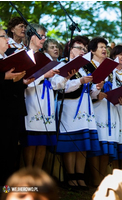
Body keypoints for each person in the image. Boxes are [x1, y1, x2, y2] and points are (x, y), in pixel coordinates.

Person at [51, 36, 100, 189]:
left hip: (85, 109)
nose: (82, 51)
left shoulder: (85, 68)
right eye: (79, 47)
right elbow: (58, 85)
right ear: (70, 48)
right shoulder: (63, 64)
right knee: (71, 143)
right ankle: (70, 177)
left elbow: (91, 94)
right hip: (69, 107)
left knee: (82, 144)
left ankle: (80, 176)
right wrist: (79, 81)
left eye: (84, 49)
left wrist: (97, 87)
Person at [22, 24, 61, 169]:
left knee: (43, 141)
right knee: (32, 142)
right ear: (31, 36)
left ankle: (37, 175)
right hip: (31, 101)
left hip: (47, 102)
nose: (44, 39)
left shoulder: (45, 57)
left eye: (45, 36)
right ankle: (27, 175)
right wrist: (43, 76)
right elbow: (24, 82)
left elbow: (56, 84)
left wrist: (66, 77)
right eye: (41, 36)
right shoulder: (24, 54)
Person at [0, 26, 35, 184]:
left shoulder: (6, 58)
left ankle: (6, 189)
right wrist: (4, 76)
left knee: (10, 151)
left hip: (13, 110)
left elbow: (11, 84)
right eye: (2, 36)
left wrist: (22, 82)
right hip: (2, 111)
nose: (7, 39)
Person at [85, 37, 119, 186]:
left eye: (105, 47)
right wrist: (94, 95)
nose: (104, 49)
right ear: (92, 50)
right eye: (100, 47)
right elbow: (82, 89)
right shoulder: (87, 66)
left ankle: (102, 177)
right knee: (96, 143)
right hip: (93, 108)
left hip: (108, 108)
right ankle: (94, 178)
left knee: (106, 143)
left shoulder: (110, 68)